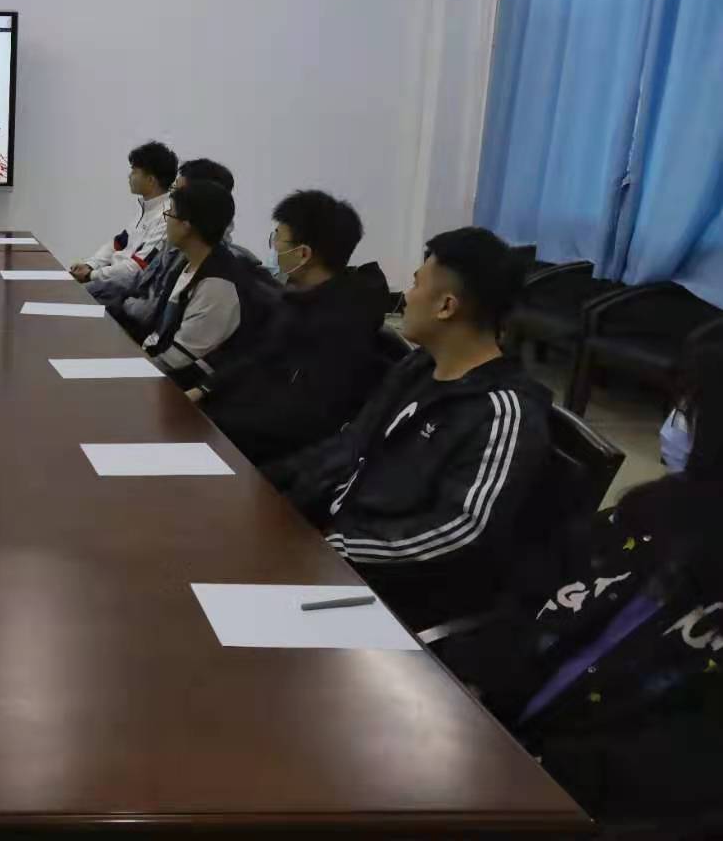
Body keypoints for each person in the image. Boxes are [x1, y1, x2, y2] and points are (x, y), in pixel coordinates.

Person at [435, 345, 723, 824]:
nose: (677, 424)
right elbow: (529, 596)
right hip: (486, 741)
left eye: (691, 410)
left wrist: (538, 770)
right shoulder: (649, 513)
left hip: (576, 804)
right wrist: (473, 680)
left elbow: (679, 772)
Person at [265, 226, 550, 630]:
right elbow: (351, 444)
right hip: (333, 547)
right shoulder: (419, 366)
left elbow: (461, 530)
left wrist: (332, 548)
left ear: (446, 306)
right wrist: (264, 486)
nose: (406, 297)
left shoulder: (502, 410)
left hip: (389, 591)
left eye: (416, 284)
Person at [197, 190, 392, 465]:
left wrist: (213, 422)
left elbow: (300, 418)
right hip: (241, 426)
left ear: (303, 254)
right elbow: (258, 357)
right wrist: (205, 389)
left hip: (273, 456)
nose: (274, 247)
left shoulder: (339, 325)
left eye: (278, 238)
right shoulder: (300, 300)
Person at [140, 179, 273, 389]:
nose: (166, 222)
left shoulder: (217, 285)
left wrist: (131, 370)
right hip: (153, 365)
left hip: (176, 388)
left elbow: (177, 361)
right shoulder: (187, 263)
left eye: (170, 214)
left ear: (186, 226)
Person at [110, 158, 236, 339]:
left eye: (177, 191)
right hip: (135, 317)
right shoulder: (179, 242)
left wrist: (120, 302)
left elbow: (154, 313)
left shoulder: (204, 262)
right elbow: (142, 280)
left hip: (143, 332)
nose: (170, 202)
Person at [71, 141, 178, 303]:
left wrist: (91, 275)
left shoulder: (165, 217)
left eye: (134, 171)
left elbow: (137, 268)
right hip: (110, 280)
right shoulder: (146, 207)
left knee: (69, 296)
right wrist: (90, 265)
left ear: (151, 180)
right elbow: (117, 244)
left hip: (125, 291)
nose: (129, 176)